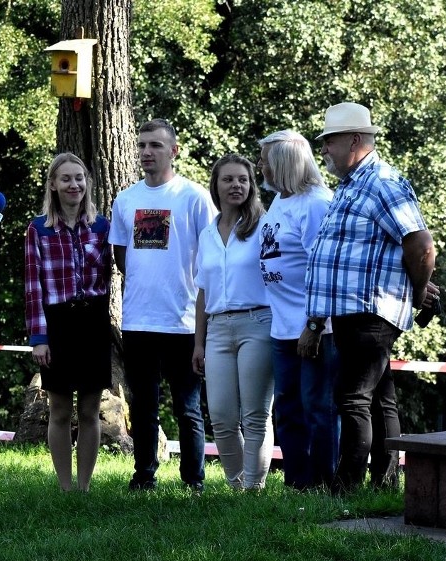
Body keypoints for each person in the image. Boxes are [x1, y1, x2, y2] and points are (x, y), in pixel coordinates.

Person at [305, 102, 437, 494]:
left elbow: (421, 245)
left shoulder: (382, 182)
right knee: (380, 399)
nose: (325, 149)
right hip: (353, 312)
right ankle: (384, 483)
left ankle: (346, 487)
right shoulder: (351, 185)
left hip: (371, 311)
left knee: (352, 397)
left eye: (330, 141)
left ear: (356, 140)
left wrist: (416, 291)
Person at [109, 118, 217, 492]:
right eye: (141, 145)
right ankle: (144, 475)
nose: (146, 152)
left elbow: (211, 256)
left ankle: (194, 481)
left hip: (184, 320)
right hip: (139, 320)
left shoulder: (194, 197)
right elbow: (122, 258)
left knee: (188, 408)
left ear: (174, 150)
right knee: (142, 406)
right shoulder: (126, 200)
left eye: (155, 145)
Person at [24, 152, 112, 492]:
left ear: (86, 183)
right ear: (53, 185)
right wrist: (39, 337)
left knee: (90, 409)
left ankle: (84, 487)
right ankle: (65, 486)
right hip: (57, 322)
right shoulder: (38, 229)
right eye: (66, 179)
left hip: (93, 321)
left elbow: (111, 272)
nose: (74, 184)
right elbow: (33, 286)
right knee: (59, 409)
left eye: (79, 178)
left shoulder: (101, 226)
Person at [257, 130, 339, 491]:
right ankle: (296, 484)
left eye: (264, 159)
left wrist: (314, 323)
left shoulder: (316, 203)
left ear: (283, 163)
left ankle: (322, 484)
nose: (260, 165)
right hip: (283, 328)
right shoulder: (280, 200)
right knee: (287, 409)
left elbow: (325, 268)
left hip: (316, 328)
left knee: (317, 409)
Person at [192, 154, 274, 491]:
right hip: (217, 330)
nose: (235, 185)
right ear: (216, 186)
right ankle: (236, 486)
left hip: (258, 324)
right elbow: (202, 291)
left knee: (255, 416)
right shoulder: (207, 233)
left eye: (242, 179)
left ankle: (253, 490)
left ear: (251, 185)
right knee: (223, 417)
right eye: (228, 179)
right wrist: (198, 343)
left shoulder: (264, 226)